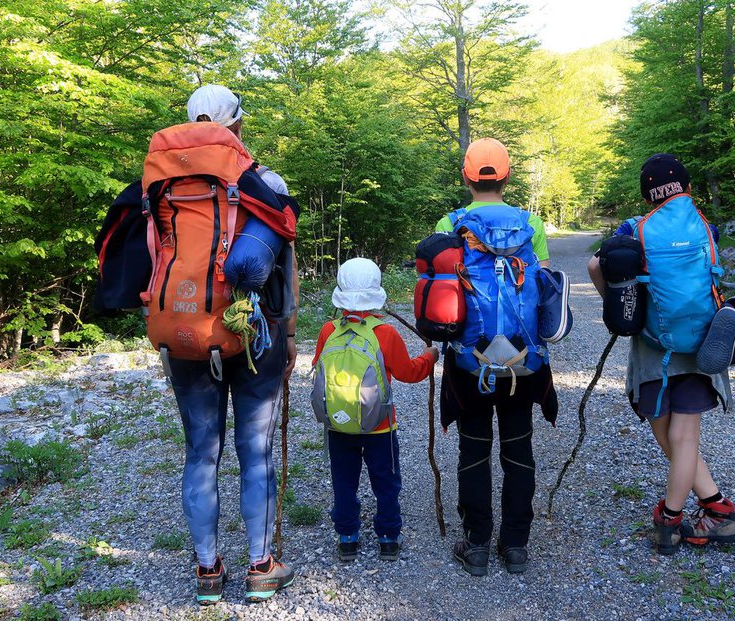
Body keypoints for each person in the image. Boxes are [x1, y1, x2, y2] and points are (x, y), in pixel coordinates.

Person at [175, 84, 299, 603]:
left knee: (200, 453)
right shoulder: (264, 182)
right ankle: (260, 566)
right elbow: (285, 264)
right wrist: (289, 332)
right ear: (240, 126)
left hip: (187, 335)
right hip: (257, 334)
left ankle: (207, 572)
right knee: (256, 452)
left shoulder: (165, 186)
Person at [587, 153, 735, 555]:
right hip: (703, 343)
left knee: (665, 432)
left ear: (648, 194)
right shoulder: (704, 224)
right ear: (686, 187)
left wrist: (620, 307)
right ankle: (717, 512)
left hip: (652, 346)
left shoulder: (636, 228)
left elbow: (594, 264)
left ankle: (670, 519)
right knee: (685, 436)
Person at [436, 138, 558, 576]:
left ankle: (478, 544)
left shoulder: (450, 223)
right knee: (518, 446)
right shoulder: (532, 223)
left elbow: (440, 296)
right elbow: (543, 293)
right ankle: (517, 545)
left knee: (474, 448)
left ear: (466, 177)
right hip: (524, 360)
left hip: (470, 361)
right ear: (507, 177)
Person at [311, 258, 438, 562]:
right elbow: (408, 373)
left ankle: (347, 538)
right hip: (380, 425)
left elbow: (319, 368)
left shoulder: (328, 330)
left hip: (339, 426)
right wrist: (431, 356)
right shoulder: (385, 333)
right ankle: (389, 538)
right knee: (386, 480)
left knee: (343, 480)